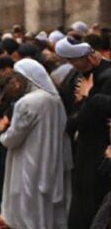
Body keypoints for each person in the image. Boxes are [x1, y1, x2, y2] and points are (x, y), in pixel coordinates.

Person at [0, 59, 72, 229]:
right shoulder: (54, 100)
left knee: (26, 199)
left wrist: (3, 135)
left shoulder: (27, 102)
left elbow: (14, 136)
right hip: (51, 158)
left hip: (28, 159)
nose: (15, 83)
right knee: (44, 201)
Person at [56, 37, 111, 229]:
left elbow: (95, 111)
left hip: (99, 146)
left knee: (93, 197)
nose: (72, 65)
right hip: (85, 143)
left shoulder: (105, 75)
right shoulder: (81, 73)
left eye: (73, 61)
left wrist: (88, 96)